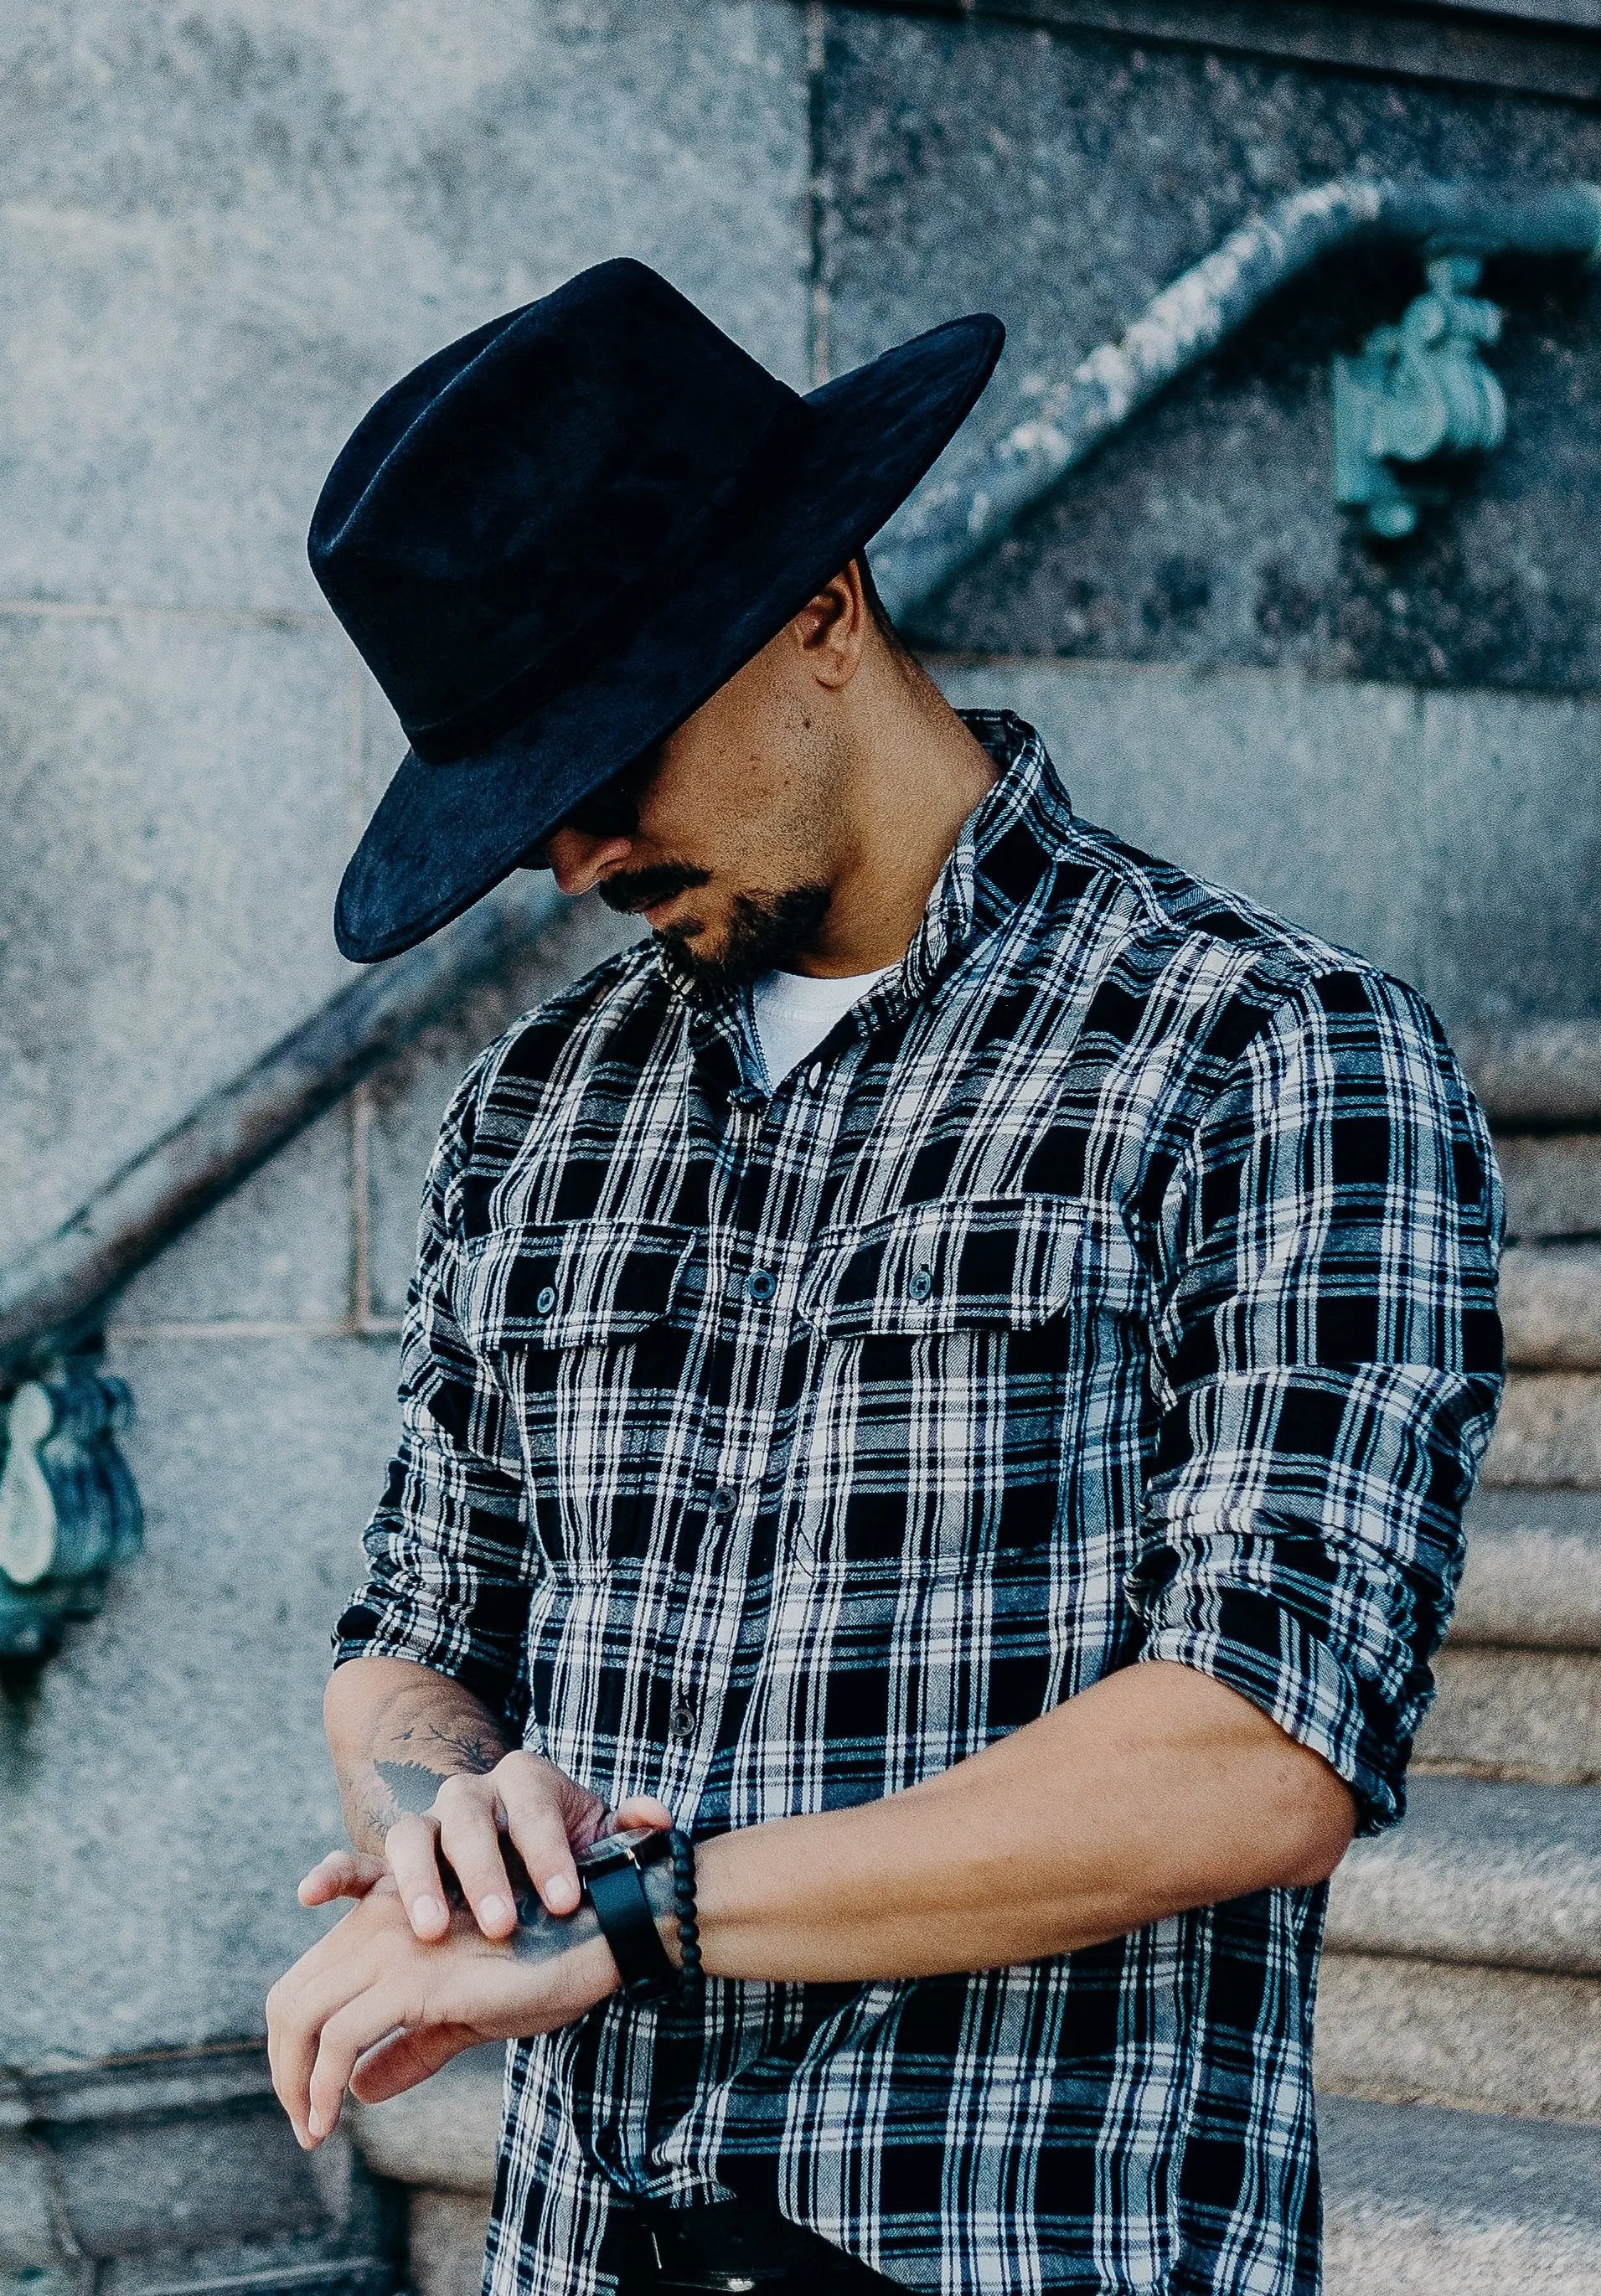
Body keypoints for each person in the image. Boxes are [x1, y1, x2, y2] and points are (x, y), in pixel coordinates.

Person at [266, 260, 1501, 2296]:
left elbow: (1257, 1747)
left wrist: (637, 1919)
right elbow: (409, 1627)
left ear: (823, 609)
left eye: (605, 752)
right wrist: (458, 1819)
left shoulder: (1267, 1052)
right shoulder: (529, 1117)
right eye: (520, 803)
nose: (568, 856)